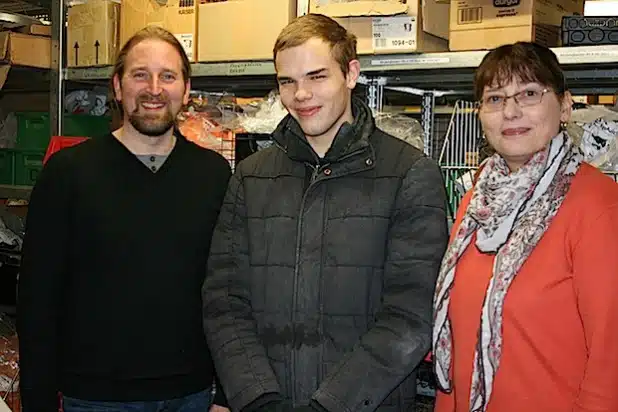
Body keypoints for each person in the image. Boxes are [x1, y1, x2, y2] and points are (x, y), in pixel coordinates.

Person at [202, 13, 449, 412]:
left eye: (317, 77)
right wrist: (257, 399)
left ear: (351, 73)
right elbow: (224, 301)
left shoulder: (409, 173)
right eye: (287, 81)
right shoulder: (251, 176)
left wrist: (330, 405)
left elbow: (411, 314)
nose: (301, 94)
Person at [17, 26, 231, 412]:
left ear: (185, 90)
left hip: (193, 395)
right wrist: (38, 400)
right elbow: (37, 298)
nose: (153, 88)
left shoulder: (215, 175)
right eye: (139, 74)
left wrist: (227, 394)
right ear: (117, 87)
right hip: (97, 397)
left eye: (167, 75)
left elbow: (230, 290)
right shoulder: (68, 173)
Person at [432, 42, 618, 412]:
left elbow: (610, 356)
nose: (511, 112)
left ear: (565, 106)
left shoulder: (597, 206)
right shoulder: (478, 199)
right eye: (495, 99)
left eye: (529, 94)